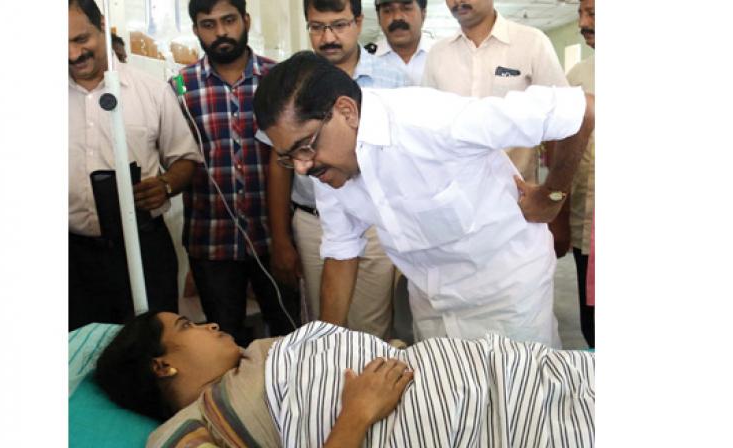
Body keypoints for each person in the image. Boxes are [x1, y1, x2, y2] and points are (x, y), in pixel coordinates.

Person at [254, 52, 595, 347]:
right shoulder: (328, 168)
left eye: (305, 146)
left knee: (521, 410)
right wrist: (327, 345)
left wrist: (553, 196)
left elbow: (583, 111)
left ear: (347, 111)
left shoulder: (434, 121)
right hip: (432, 306)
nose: (300, 168)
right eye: (289, 156)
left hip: (507, 300)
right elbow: (341, 251)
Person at [95, 311, 595, 447]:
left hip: (484, 373)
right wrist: (357, 413)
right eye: (186, 327)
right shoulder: (189, 432)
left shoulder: (255, 358)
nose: (207, 324)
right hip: (469, 419)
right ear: (163, 365)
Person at [266, 0, 408, 340]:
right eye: (317, 27)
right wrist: (281, 238)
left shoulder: (394, 78)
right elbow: (279, 164)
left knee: (373, 326)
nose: (328, 37)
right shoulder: (289, 84)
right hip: (313, 220)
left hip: (377, 220)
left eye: (339, 25)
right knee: (323, 322)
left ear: (358, 22)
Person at [172, 0, 299, 346]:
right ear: (196, 30)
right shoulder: (179, 88)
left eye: (228, 20)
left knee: (289, 333)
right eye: (208, 24)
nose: (221, 32)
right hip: (211, 242)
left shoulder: (279, 78)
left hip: (274, 239)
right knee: (224, 341)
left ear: (245, 20)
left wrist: (285, 242)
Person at [68, 0, 200, 330]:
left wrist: (167, 185)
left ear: (102, 24)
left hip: (144, 248)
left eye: (81, 39)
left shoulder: (151, 91)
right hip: (72, 256)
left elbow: (186, 159)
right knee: (81, 357)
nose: (72, 54)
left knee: (152, 351)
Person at [421, 0, 569, 184]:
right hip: (455, 194)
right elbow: (427, 127)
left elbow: (563, 123)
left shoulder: (532, 43)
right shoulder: (438, 54)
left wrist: (553, 194)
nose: (458, 1)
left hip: (517, 195)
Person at [552, 0, 595, 347]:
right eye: (581, 13)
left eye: (593, 13)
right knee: (593, 323)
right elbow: (559, 151)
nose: (583, 22)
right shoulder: (577, 77)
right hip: (587, 226)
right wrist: (560, 217)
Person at [373, 0, 434, 86]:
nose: (397, 17)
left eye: (406, 9)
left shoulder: (443, 56)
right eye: (388, 10)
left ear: (423, 14)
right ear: (378, 18)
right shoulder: (365, 60)